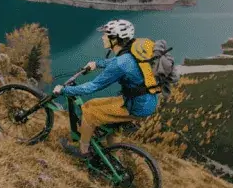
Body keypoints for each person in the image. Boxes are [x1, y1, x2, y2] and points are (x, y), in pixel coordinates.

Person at [53, 19, 159, 158]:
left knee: (89, 113)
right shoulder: (133, 50)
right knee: (92, 106)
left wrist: (64, 90)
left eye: (106, 34)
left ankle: (83, 151)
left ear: (115, 39)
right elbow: (118, 62)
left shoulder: (121, 63)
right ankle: (114, 158)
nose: (103, 37)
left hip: (135, 106)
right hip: (147, 101)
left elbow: (92, 87)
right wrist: (97, 64)